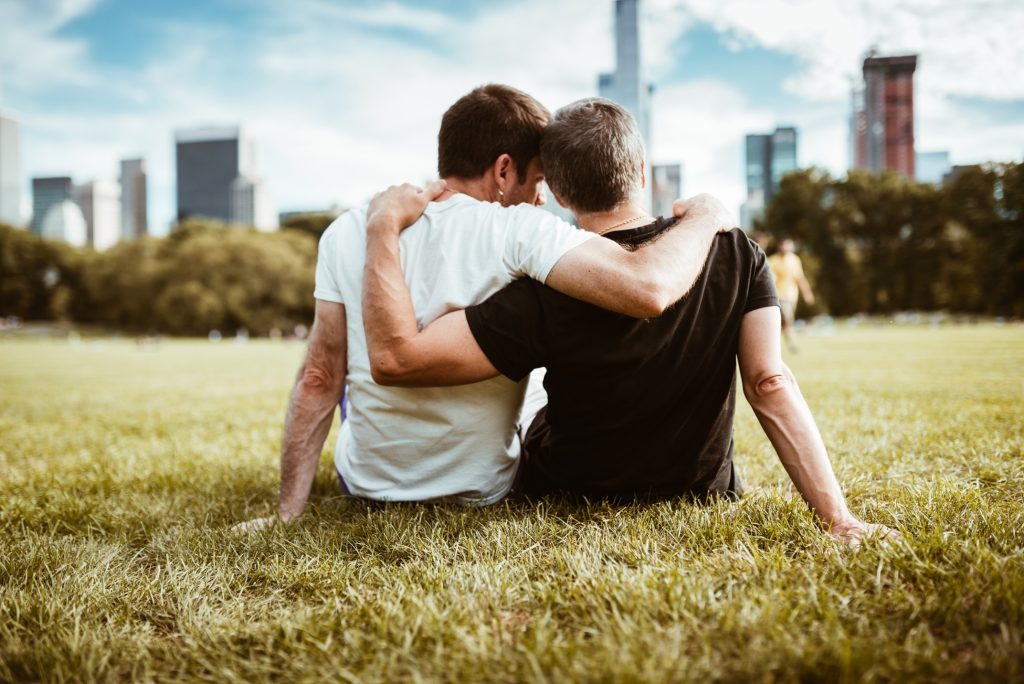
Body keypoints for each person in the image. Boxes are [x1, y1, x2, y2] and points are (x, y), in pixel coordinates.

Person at [360, 98, 895, 545]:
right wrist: (839, 520)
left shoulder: (547, 285)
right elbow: (769, 382)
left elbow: (405, 360)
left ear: (562, 195)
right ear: (641, 172)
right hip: (699, 490)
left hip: (572, 491)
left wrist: (384, 231)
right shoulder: (737, 252)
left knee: (527, 399)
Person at [234, 84, 731, 532]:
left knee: (337, 367)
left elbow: (319, 378)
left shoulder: (349, 228)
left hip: (367, 488)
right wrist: (706, 216)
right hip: (484, 493)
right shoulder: (520, 230)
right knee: (535, 369)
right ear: (503, 170)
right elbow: (646, 286)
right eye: (537, 181)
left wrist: (286, 514)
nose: (540, 200)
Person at [768, 238, 815, 352]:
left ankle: (781, 344)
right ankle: (790, 345)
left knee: (786, 322)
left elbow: (800, 278)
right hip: (778, 295)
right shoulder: (772, 260)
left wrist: (807, 293)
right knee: (785, 320)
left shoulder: (794, 260)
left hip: (792, 296)